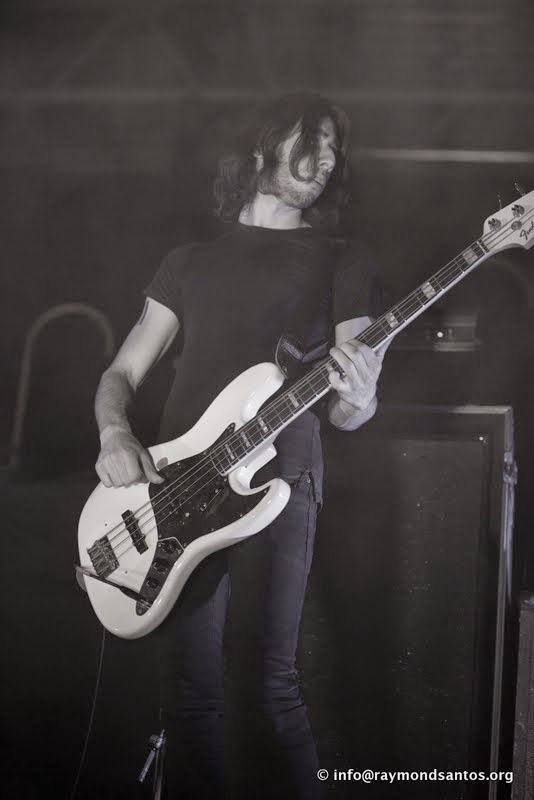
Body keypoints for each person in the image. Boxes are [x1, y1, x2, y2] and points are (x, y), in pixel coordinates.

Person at [94, 92, 386, 799]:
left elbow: (348, 411)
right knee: (187, 698)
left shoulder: (341, 260)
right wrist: (115, 432)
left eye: (335, 147)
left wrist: (362, 396)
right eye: (313, 139)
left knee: (269, 688)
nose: (327, 158)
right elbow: (121, 374)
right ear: (263, 145)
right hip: (177, 487)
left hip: (278, 479)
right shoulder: (188, 261)